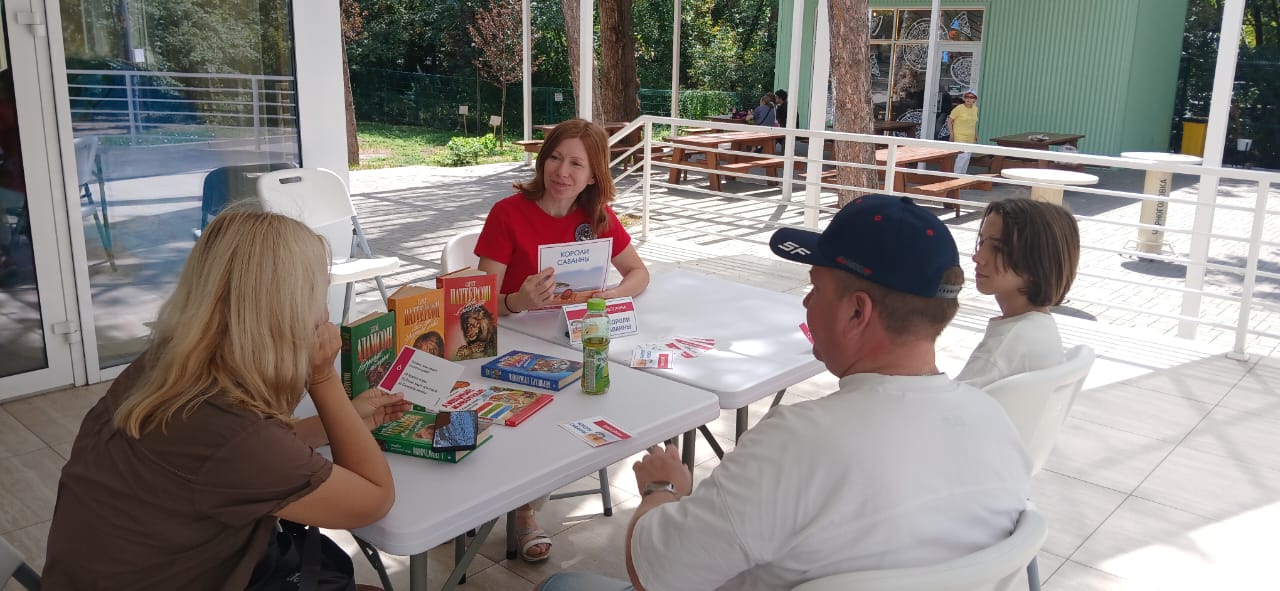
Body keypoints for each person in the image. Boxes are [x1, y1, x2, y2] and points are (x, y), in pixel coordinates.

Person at [536, 195, 1031, 591]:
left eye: (815, 288)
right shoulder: (997, 424)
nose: (807, 302)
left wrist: (660, 490)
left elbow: (655, 572)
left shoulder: (799, 442)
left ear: (857, 312)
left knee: (560, 585)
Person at [43, 208, 412, 590]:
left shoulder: (169, 364)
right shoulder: (235, 437)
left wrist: (342, 420)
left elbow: (231, 457)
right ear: (284, 312)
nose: (324, 312)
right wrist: (323, 378)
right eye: (317, 296)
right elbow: (374, 500)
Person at [474, 117, 650, 562]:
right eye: (554, 157)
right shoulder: (508, 213)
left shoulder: (596, 216)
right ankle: (524, 511)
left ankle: (524, 498)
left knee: (601, 398)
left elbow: (638, 273)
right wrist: (518, 300)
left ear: (593, 175)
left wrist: (608, 297)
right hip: (511, 343)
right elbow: (477, 302)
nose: (562, 172)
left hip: (571, 340)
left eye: (576, 164)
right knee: (544, 413)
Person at [957, 198, 1081, 387]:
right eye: (982, 242)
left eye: (998, 248)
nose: (978, 257)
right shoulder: (1042, 328)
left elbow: (949, 404)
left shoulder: (1000, 350)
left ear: (1039, 262)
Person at [946, 89, 979, 174]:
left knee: (967, 158)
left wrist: (976, 135)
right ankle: (956, 175)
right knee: (962, 156)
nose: (969, 98)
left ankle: (962, 176)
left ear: (975, 99)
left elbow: (974, 123)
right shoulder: (959, 108)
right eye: (967, 96)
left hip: (970, 137)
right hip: (960, 136)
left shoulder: (975, 109)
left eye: (971, 97)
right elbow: (949, 121)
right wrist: (951, 134)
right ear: (964, 98)